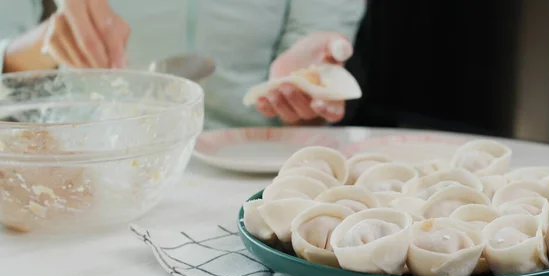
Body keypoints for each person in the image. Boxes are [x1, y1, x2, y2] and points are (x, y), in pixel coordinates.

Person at [0, 0, 366, 129]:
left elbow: (314, 59)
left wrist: (312, 85)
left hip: (260, 161)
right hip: (91, 158)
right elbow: (6, 54)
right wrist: (51, 40)